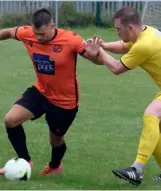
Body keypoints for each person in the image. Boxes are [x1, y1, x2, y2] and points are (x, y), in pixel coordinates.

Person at [0, 8, 101, 176]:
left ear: (52, 26)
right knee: (10, 120)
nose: (38, 38)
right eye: (36, 33)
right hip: (41, 92)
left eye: (42, 34)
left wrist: (94, 55)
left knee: (55, 140)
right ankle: (25, 162)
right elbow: (10, 32)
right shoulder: (28, 34)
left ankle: (55, 166)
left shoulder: (71, 39)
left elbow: (97, 61)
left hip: (65, 102)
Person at [85, 6, 161, 186]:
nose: (117, 33)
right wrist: (102, 45)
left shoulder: (145, 44)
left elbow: (116, 68)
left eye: (118, 29)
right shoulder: (146, 32)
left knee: (151, 114)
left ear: (130, 28)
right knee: (155, 128)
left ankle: (137, 170)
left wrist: (99, 51)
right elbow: (124, 46)